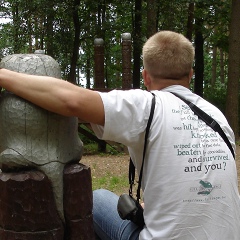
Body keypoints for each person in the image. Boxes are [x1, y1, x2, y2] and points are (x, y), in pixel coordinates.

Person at [0, 31, 239, 239]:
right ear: (191, 74)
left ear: (145, 76)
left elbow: (69, 100)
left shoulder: (146, 106)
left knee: (100, 198)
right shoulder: (216, 116)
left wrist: (4, 75)